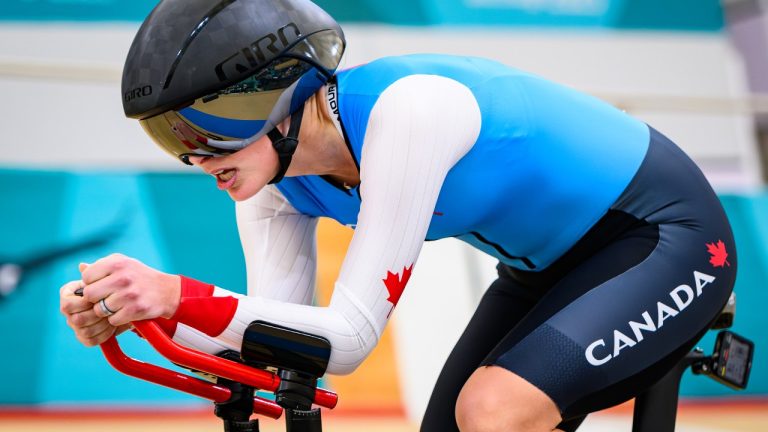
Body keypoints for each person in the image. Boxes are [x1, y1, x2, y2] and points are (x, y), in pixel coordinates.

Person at [59, 0, 738, 431]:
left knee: (492, 414)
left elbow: (349, 340)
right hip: (547, 268)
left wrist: (179, 295)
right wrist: (141, 314)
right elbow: (280, 349)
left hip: (664, 236)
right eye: (173, 139)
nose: (197, 157)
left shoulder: (409, 111)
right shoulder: (272, 184)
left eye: (208, 128)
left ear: (278, 95)